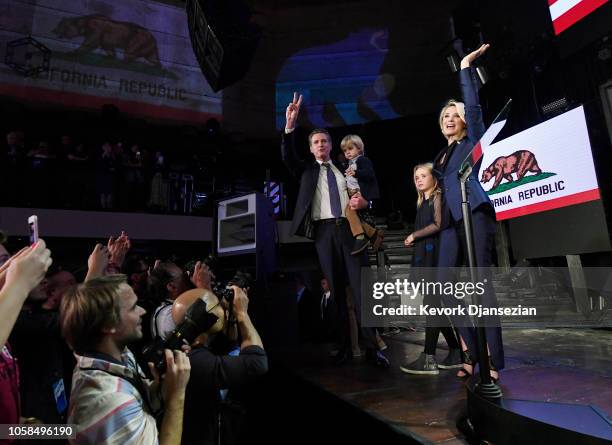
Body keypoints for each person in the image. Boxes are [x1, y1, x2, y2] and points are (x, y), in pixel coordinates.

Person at [281, 93, 388, 367]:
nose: (321, 145)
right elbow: (288, 156)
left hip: (351, 233)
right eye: (316, 142)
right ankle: (342, 346)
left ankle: (372, 348)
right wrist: (290, 126)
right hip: (324, 235)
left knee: (364, 290)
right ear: (311, 148)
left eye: (325, 141)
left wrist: (367, 200)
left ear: (331, 145)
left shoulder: (345, 166)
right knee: (337, 293)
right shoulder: (305, 169)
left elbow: (369, 187)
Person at [432, 44, 504, 382]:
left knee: (481, 287)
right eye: (444, 116)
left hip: (474, 212)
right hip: (449, 224)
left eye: (454, 115)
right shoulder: (440, 158)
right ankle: (470, 350)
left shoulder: (471, 143)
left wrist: (464, 69)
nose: (449, 119)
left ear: (463, 122)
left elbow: (474, 109)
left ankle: (490, 359)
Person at [60, 275, 190, 445]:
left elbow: (140, 403)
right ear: (109, 325)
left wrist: (164, 385)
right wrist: (177, 396)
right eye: (133, 307)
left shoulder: (119, 356)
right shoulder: (111, 401)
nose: (142, 311)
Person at [178, 286, 268, 445]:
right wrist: (242, 313)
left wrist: (232, 319)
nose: (222, 308)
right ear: (201, 317)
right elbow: (257, 362)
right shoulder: (193, 360)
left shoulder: (189, 349)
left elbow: (230, 348)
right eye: (217, 305)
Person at [399, 163, 462, 375]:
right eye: (416, 176)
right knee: (432, 305)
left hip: (435, 257)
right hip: (424, 257)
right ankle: (455, 350)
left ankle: (428, 357)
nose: (418, 179)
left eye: (423, 175)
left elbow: (438, 223)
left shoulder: (437, 196)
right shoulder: (422, 201)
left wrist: (414, 235)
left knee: (433, 304)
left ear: (433, 177)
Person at [339, 134, 384, 255]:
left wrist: (356, 173)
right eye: (345, 150)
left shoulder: (363, 160)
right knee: (351, 215)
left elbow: (369, 174)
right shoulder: (350, 163)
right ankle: (373, 233)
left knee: (349, 211)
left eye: (350, 149)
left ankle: (360, 236)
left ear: (359, 148)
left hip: (359, 192)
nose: (347, 152)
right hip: (352, 193)